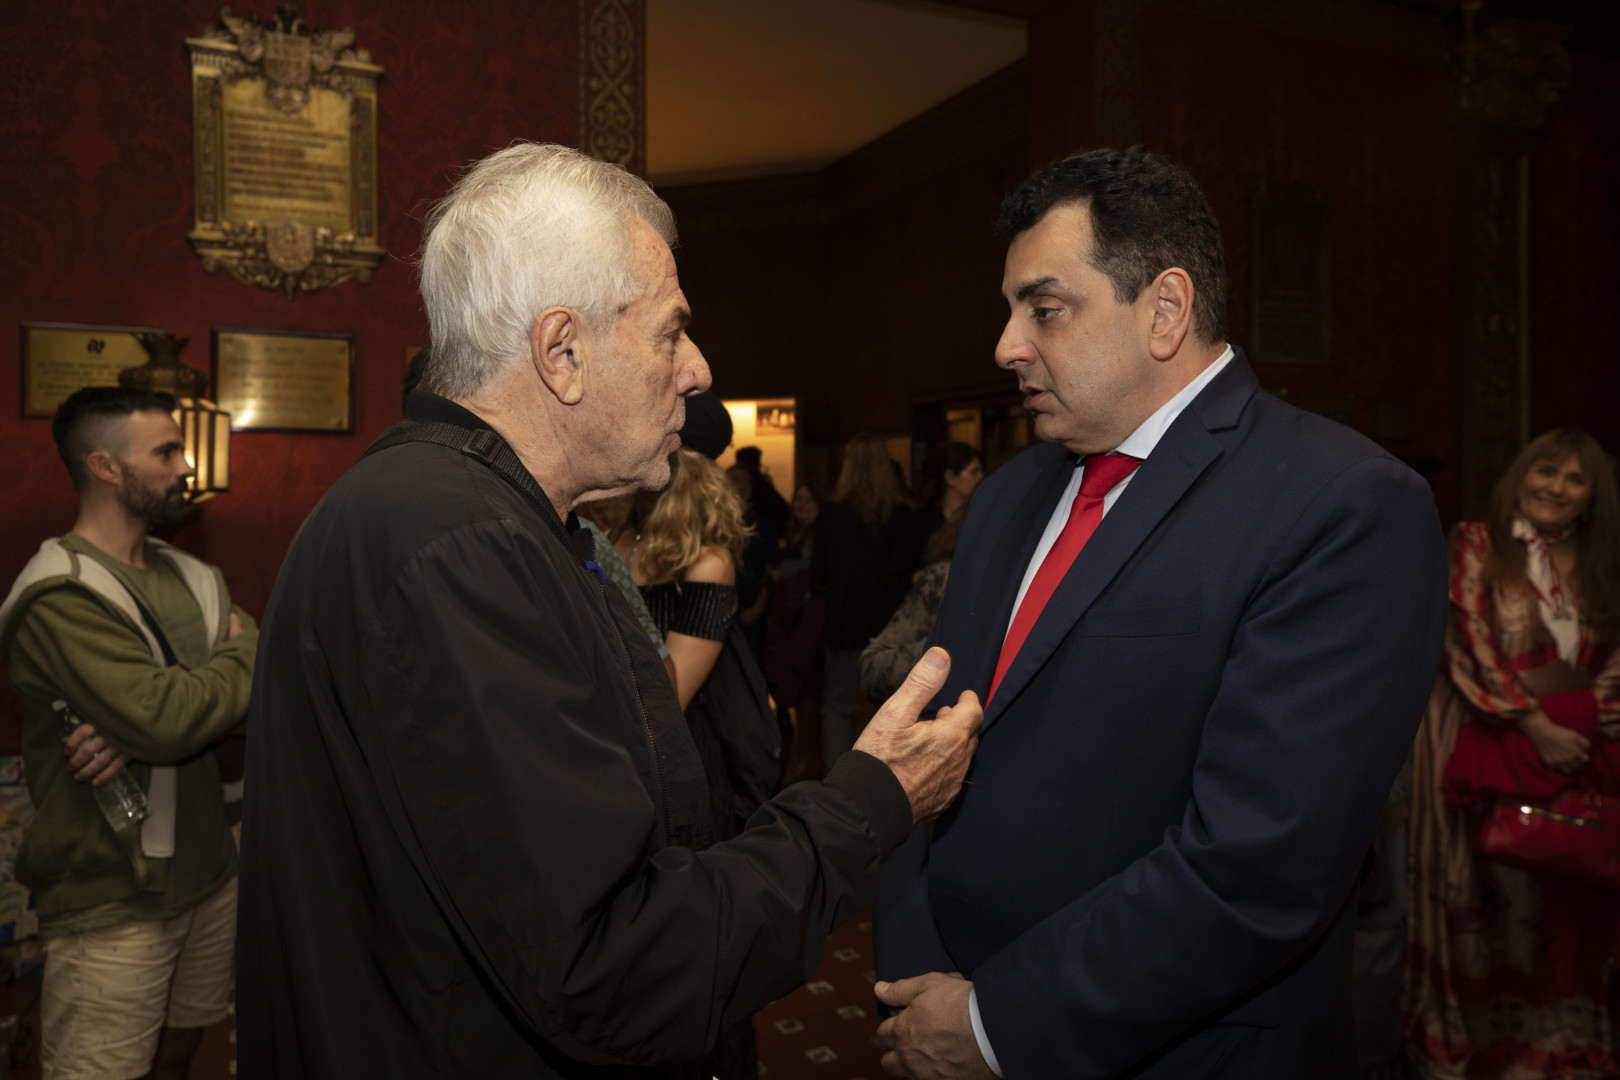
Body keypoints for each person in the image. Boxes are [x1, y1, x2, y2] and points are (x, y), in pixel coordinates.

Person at [236, 142, 982, 1080]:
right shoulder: (460, 545)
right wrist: (872, 799)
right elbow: (613, 967)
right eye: (672, 333)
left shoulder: (471, 516)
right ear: (562, 352)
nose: (698, 369)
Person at [870, 146, 1449, 1079]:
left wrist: (994, 1025)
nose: (1006, 345)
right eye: (1010, 310)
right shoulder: (1009, 496)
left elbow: (1259, 867)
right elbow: (932, 746)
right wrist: (914, 977)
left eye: (1044, 309)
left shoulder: (1342, 503)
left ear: (1166, 310)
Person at [0, 386, 256, 1080]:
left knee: (180, 1051)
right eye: (166, 452)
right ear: (106, 467)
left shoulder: (194, 575)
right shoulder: (60, 592)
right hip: (113, 895)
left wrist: (153, 716)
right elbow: (165, 720)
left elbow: (268, 680)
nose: (187, 466)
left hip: (212, 871)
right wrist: (216, 674)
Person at [1405, 429, 1620, 1078]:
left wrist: (1602, 699)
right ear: (1521, 474)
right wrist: (1533, 722)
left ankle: (1562, 1041)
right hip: (1488, 735)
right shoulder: (1477, 541)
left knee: (1572, 891)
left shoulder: (1601, 556)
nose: (1556, 487)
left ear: (1593, 496)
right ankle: (1492, 1048)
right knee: (1493, 890)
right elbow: (1466, 635)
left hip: (1580, 745)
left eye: (1575, 478)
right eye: (1545, 471)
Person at [813, 434, 920, 765]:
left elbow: (818, 574)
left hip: (843, 626)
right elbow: (902, 578)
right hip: (887, 629)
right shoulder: (902, 515)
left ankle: (833, 782)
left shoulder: (832, 515)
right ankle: (871, 780)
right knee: (884, 709)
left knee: (837, 707)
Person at [766, 482, 827, 783]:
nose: (802, 504)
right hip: (790, 629)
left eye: (809, 500)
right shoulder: (793, 536)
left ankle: (807, 764)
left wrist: (782, 575)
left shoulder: (820, 541)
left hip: (807, 629)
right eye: (798, 499)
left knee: (808, 698)